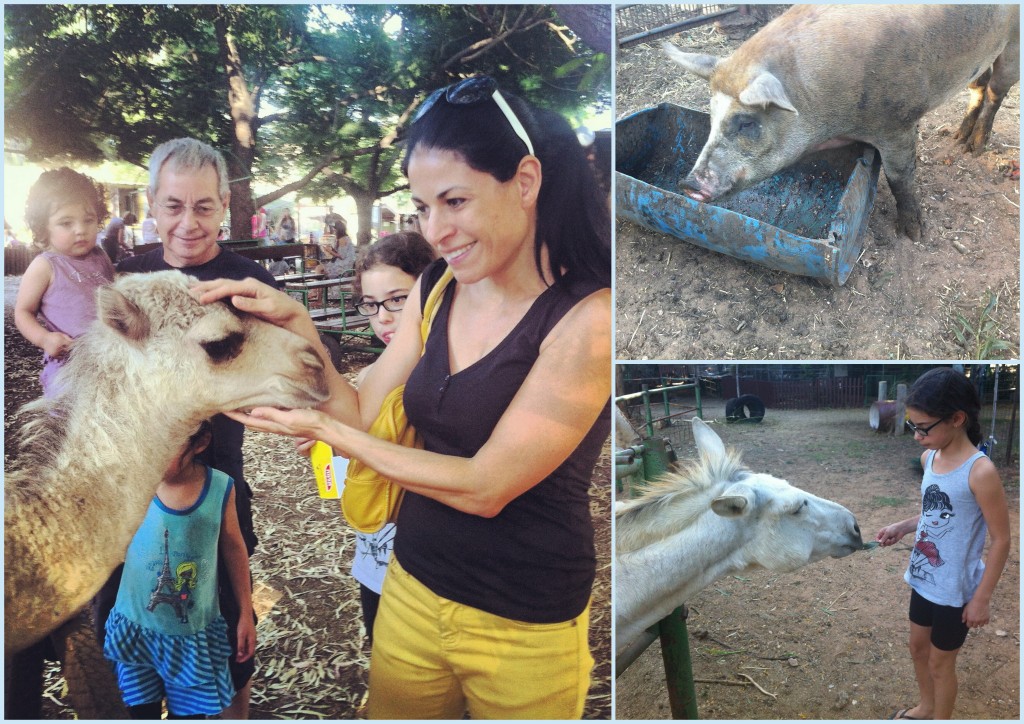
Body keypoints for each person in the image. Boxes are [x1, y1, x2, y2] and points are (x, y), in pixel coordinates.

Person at [194, 74, 611, 719]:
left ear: (525, 181)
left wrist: (332, 435)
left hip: (524, 622)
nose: (435, 231)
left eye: (454, 201)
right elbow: (360, 406)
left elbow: (484, 485)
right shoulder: (440, 287)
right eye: (421, 207)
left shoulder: (589, 318)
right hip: (412, 589)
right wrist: (299, 324)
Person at [110, 137, 279, 719]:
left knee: (231, 631)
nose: (188, 222)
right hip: (135, 489)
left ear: (224, 207)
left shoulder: (246, 281)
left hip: (220, 485)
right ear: (152, 205)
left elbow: (299, 352)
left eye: (204, 207)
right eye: (174, 205)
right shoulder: (128, 277)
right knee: (136, 614)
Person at [876, 367, 1010, 720]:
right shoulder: (929, 459)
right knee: (917, 648)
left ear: (957, 418)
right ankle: (926, 707)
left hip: (955, 590)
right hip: (924, 578)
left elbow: (1001, 539)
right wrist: (903, 526)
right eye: (913, 427)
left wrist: (981, 597)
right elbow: (938, 515)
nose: (917, 436)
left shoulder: (980, 472)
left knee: (940, 663)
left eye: (923, 428)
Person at [104, 420, 255, 719]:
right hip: (136, 631)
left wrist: (245, 614)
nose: (152, 459)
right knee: (138, 712)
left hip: (192, 640)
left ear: (200, 443)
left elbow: (234, 547)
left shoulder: (221, 488)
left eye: (164, 450)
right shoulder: (131, 481)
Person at [346, 232, 436, 646]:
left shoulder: (449, 380)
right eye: (370, 304)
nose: (382, 317)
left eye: (397, 300)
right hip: (374, 564)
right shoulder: (368, 377)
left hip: (431, 573)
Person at [14, 167, 115, 398]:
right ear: (43, 228)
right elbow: (23, 311)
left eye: (88, 220)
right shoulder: (45, 266)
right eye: (66, 223)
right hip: (69, 364)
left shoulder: (100, 256)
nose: (80, 230)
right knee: (69, 423)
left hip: (109, 358)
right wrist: (44, 338)